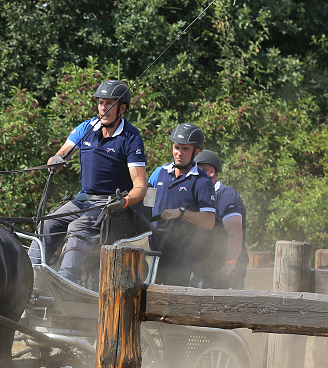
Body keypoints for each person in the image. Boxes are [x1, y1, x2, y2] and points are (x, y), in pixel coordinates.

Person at [30, 79, 147, 283]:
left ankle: (64, 283)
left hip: (111, 203)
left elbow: (140, 187)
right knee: (47, 222)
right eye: (101, 103)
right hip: (83, 199)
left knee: (78, 228)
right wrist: (55, 162)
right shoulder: (87, 127)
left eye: (109, 104)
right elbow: (58, 156)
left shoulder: (131, 136)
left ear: (122, 108)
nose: (103, 108)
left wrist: (124, 201)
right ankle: (30, 276)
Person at [149, 123, 217, 286]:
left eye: (185, 149)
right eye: (176, 147)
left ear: (196, 152)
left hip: (180, 261)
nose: (179, 153)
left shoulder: (202, 182)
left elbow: (209, 221)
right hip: (152, 254)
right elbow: (146, 203)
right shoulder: (159, 173)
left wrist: (181, 212)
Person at [195, 149, 248, 289]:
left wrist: (230, 263)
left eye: (197, 168)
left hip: (226, 270)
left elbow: (235, 232)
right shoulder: (197, 196)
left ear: (211, 172)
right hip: (205, 268)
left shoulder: (226, 195)